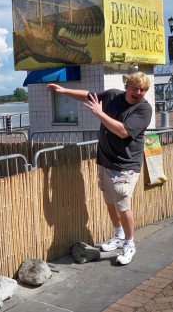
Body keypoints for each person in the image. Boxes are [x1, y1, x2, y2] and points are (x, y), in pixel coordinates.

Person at [47, 71, 152, 265]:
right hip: (105, 161)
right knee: (110, 202)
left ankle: (129, 243)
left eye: (143, 89)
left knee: (122, 204)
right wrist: (62, 91)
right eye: (135, 87)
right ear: (127, 86)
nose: (139, 92)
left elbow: (122, 132)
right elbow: (88, 95)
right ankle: (118, 235)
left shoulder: (144, 109)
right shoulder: (113, 95)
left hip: (126, 165)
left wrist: (99, 113)